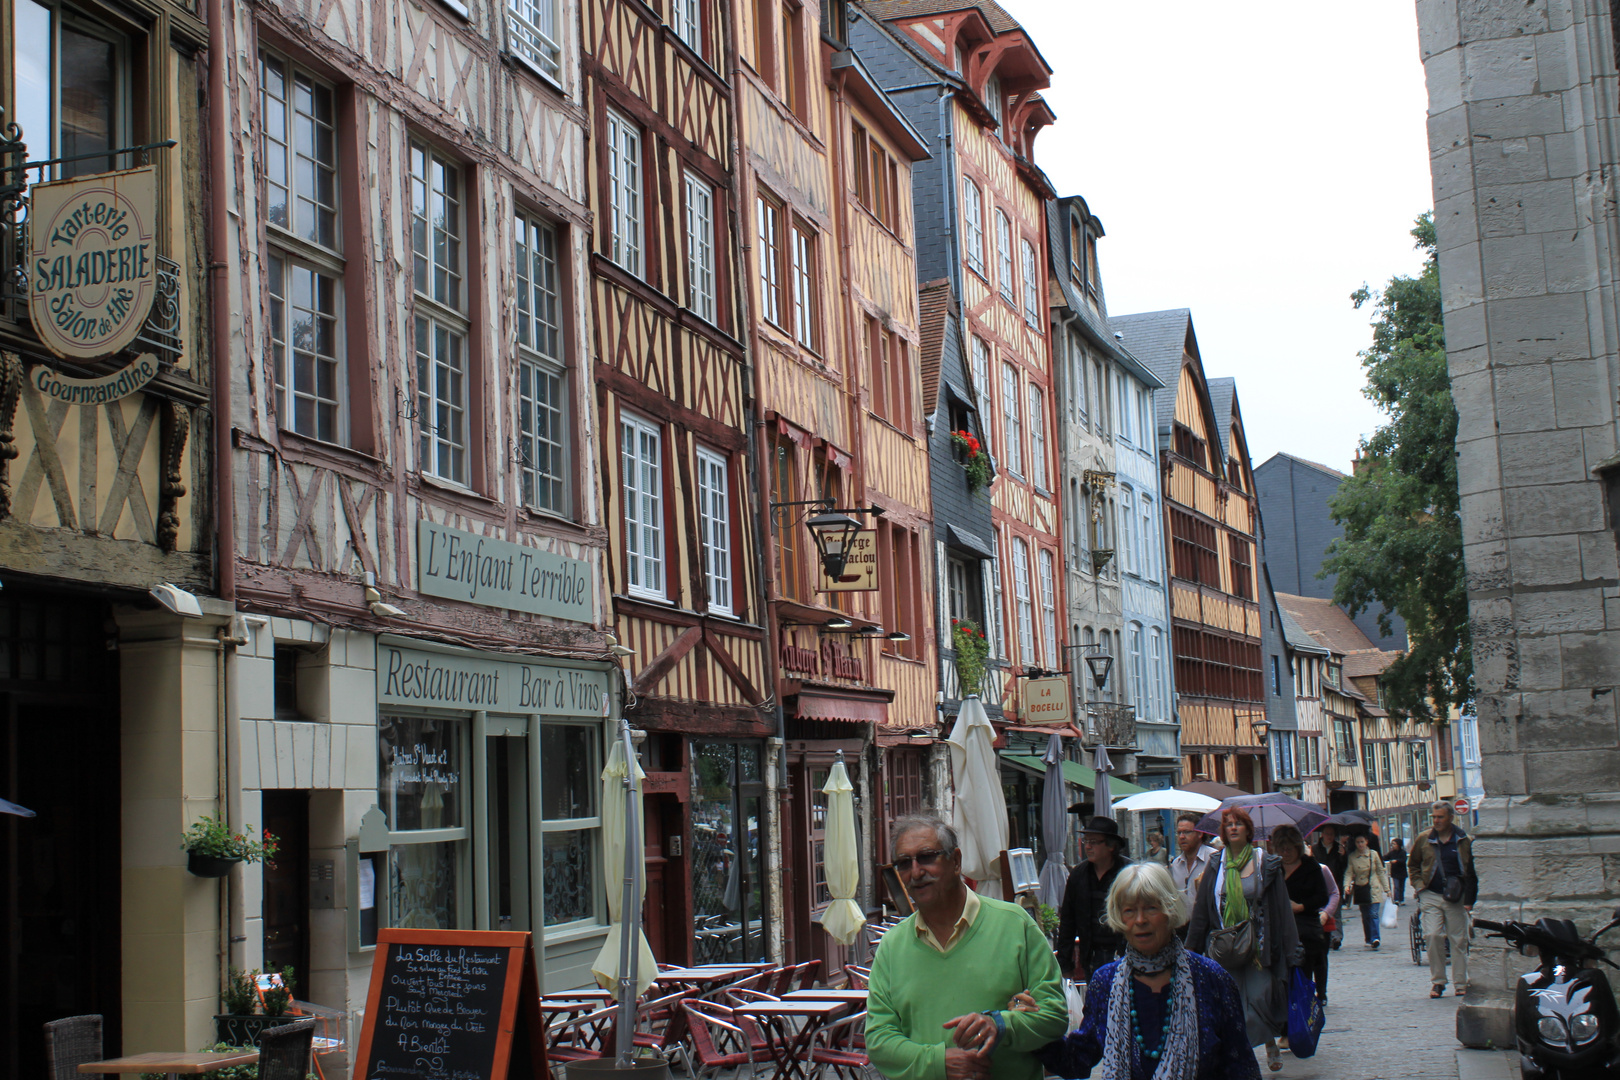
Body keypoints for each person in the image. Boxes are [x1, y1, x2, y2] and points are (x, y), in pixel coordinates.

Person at [866, 813, 1068, 1080]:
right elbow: (879, 1040)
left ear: (956, 861)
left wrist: (1001, 1024)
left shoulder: (1015, 925)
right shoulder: (893, 947)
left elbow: (1054, 1014)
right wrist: (938, 1063)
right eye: (904, 863)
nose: (915, 872)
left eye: (927, 857)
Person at [1029, 863, 1261, 1080]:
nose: (1140, 920)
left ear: (1170, 911)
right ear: (1119, 917)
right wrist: (1032, 1024)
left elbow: (1242, 1066)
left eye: (1151, 908)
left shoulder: (1211, 978)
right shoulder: (1106, 982)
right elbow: (1077, 1060)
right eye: (1129, 911)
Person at [1186, 807, 1301, 1072]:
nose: (1234, 828)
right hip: (1226, 945)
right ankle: (1246, 1052)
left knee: (1261, 997)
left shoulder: (1265, 863)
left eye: (1239, 824)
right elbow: (1203, 909)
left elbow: (1282, 908)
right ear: (1224, 832)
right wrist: (1190, 947)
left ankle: (1266, 1039)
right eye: (1229, 824)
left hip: (1260, 944)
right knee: (1233, 1003)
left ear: (1248, 830)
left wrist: (1293, 948)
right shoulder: (1216, 864)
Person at [1410, 801, 1477, 998]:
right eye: (1434, 817)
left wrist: (1469, 898)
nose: (1436, 821)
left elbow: (1472, 871)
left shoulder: (1464, 840)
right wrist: (1419, 886)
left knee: (1458, 941)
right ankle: (1438, 982)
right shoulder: (1424, 839)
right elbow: (1413, 865)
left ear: (1450, 818)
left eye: (1440, 817)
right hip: (1431, 893)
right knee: (1432, 936)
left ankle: (1460, 983)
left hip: (1456, 896)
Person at [1055, 815, 1133, 980]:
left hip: (1125, 953)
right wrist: (1065, 963)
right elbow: (1068, 921)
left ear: (1111, 845)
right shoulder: (1078, 875)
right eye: (1086, 841)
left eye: (1094, 842)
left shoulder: (1130, 873)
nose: (1088, 847)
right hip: (1092, 956)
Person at [1269, 825, 1330, 1011]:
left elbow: (1322, 896)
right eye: (1281, 849)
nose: (1285, 853)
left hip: (1305, 930)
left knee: (1302, 976)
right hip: (1279, 930)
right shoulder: (1272, 868)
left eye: (1289, 849)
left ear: (1298, 847)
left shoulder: (1310, 866)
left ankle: (1302, 1013)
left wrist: (1300, 906)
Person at [1342, 833, 1390, 949]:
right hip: (1361, 888)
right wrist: (1346, 886)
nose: (1360, 844)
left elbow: (1380, 871)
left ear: (1366, 842)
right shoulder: (1352, 857)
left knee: (1373, 913)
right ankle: (1369, 938)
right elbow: (1349, 872)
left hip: (1373, 887)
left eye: (1362, 842)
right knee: (1365, 915)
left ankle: (1375, 938)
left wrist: (1387, 889)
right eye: (1358, 842)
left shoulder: (1373, 855)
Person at [1169, 813, 1216, 917]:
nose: (1181, 837)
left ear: (1200, 834)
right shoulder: (1175, 865)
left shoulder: (1214, 859)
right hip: (1183, 926)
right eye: (1179, 832)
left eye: (1187, 832)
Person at [1386, 838, 1408, 903]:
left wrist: (1397, 861)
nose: (1393, 845)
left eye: (1394, 844)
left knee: (1402, 887)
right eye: (1392, 844)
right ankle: (1396, 899)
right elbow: (1385, 857)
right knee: (1396, 886)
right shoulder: (1391, 853)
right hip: (1395, 872)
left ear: (1398, 845)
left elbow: (1403, 860)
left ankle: (1401, 899)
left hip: (1402, 872)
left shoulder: (1403, 852)